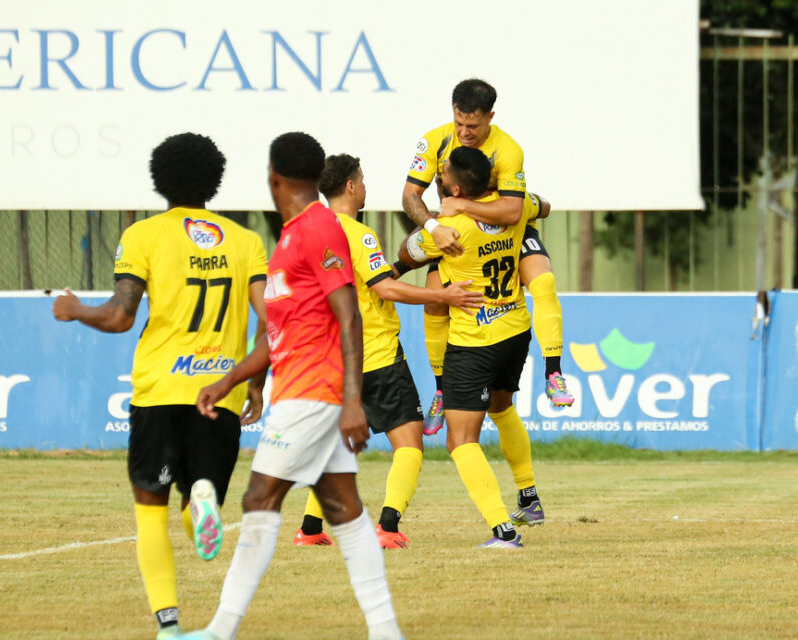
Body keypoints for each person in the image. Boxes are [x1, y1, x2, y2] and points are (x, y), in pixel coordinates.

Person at [180, 133, 402, 640]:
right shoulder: (290, 238)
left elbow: (349, 315)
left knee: (260, 499)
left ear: (274, 178)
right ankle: (386, 630)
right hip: (302, 391)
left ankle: (219, 630)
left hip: (313, 395)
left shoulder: (319, 227)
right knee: (345, 511)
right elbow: (279, 332)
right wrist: (232, 379)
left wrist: (353, 401)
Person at [52, 132, 267, 638]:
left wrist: (74, 309)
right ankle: (200, 505)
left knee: (150, 510)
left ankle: (168, 627)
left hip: (160, 391)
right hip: (221, 391)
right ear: (214, 179)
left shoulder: (143, 235)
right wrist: (254, 381)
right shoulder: (246, 242)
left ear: (160, 179)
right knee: (198, 496)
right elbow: (271, 321)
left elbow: (120, 316)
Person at [293, 154, 483, 549]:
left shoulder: (308, 234)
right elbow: (384, 287)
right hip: (376, 355)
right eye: (361, 180)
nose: (364, 187)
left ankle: (310, 529)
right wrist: (442, 295)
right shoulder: (358, 234)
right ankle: (388, 527)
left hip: (333, 358)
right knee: (409, 443)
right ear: (350, 186)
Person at [402, 78, 573, 438]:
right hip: (455, 236)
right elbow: (410, 197)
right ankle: (440, 389)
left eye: (473, 126)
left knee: (543, 282)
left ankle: (554, 373)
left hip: (506, 231)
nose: (464, 132)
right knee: (434, 302)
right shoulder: (434, 141)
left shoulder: (508, 149)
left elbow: (512, 211)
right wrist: (434, 227)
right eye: (459, 123)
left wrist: (462, 206)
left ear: (490, 117)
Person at [399, 146, 551, 547]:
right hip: (515, 330)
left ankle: (503, 530)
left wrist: (434, 222)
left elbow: (406, 253)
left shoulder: (451, 229)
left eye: (443, 174)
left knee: (460, 440)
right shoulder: (514, 211)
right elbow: (543, 207)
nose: (439, 176)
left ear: (453, 188)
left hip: (474, 342)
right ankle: (529, 497)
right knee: (502, 408)